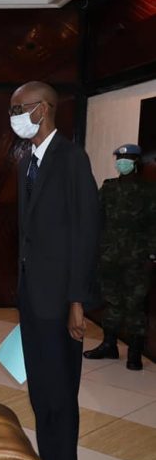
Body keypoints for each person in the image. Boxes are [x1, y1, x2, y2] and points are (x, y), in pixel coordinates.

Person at [11, 81, 100, 460]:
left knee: (61, 393)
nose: (14, 117)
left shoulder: (71, 159)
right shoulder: (27, 162)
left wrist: (77, 301)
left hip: (61, 298)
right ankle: (48, 457)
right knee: (41, 390)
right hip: (31, 296)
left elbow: (86, 233)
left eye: (19, 109)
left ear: (42, 109)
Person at [84, 143, 156, 370]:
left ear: (136, 163)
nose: (121, 163)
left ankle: (135, 353)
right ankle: (109, 345)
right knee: (111, 302)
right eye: (119, 159)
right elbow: (96, 218)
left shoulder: (149, 191)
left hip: (137, 259)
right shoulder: (109, 188)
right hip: (110, 256)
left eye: (126, 159)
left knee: (135, 305)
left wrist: (152, 256)